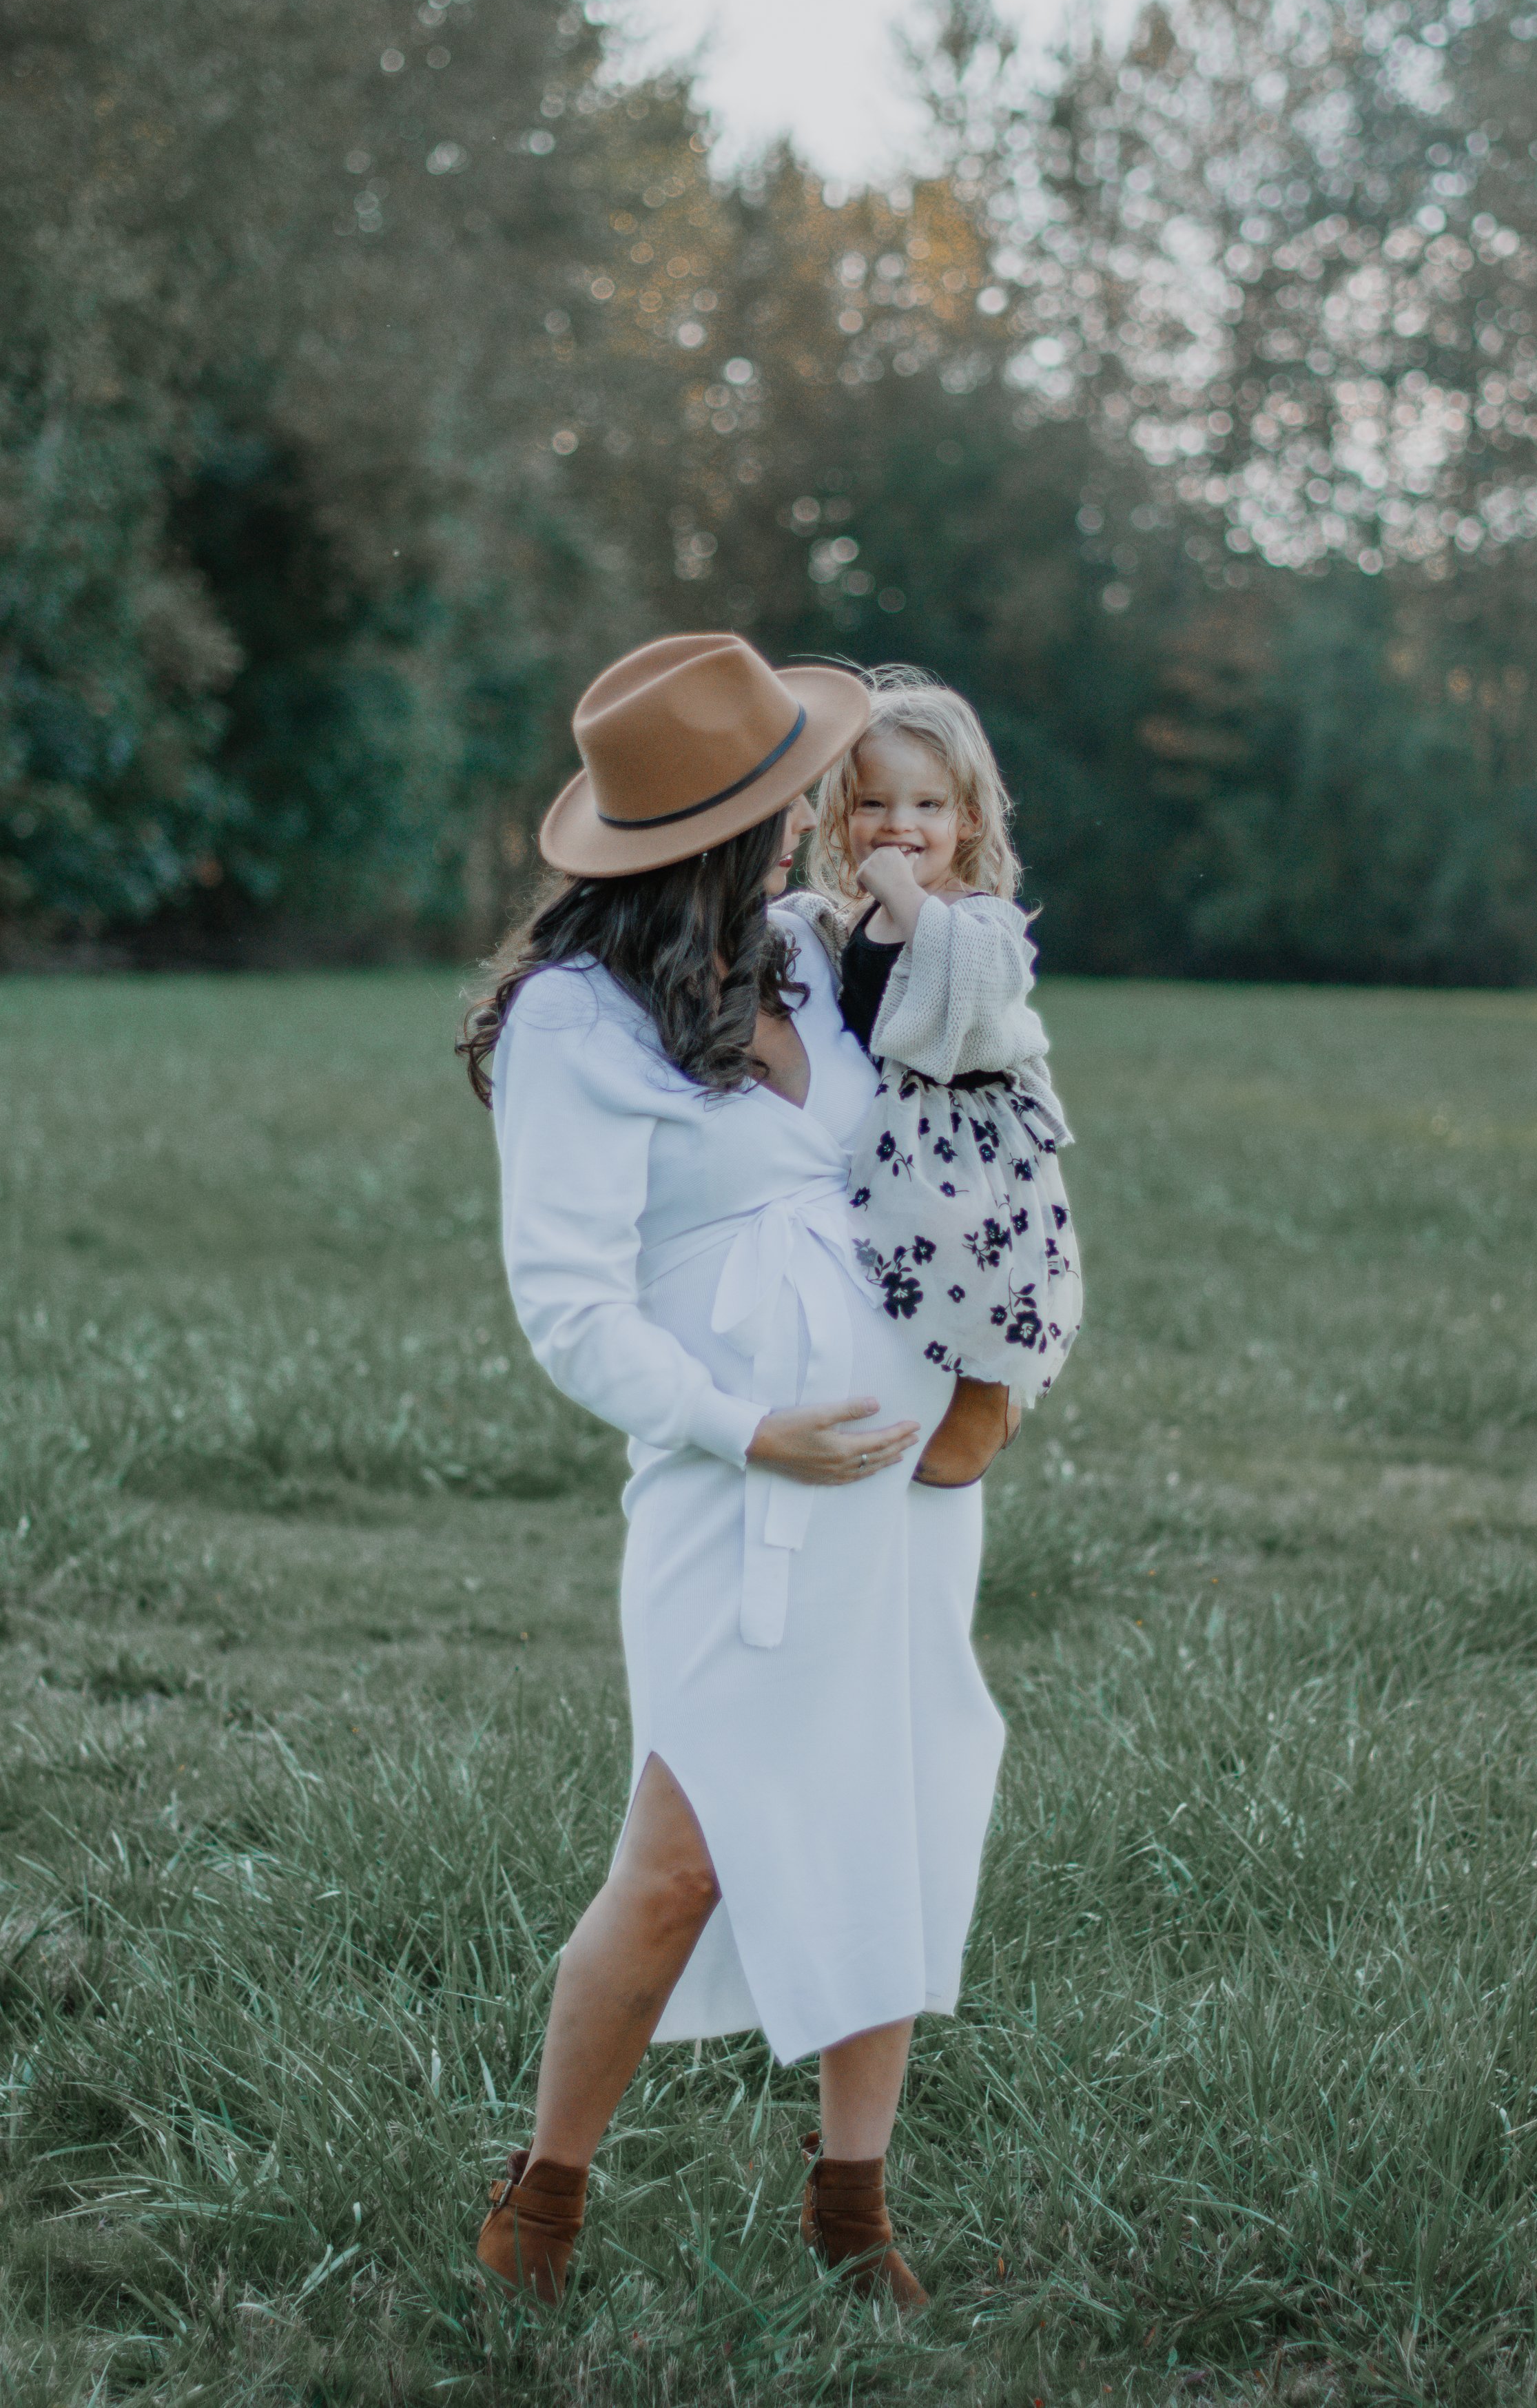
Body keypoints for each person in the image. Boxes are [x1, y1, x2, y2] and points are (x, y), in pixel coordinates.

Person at [457, 634, 1006, 2310]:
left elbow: (975, 1102)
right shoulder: (576, 1016)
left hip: (902, 1486)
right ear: (695, 832)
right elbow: (566, 1298)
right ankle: (541, 2196)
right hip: (734, 1486)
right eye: (774, 807)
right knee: (684, 1848)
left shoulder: (804, 951)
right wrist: (743, 1422)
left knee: (892, 1810)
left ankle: (853, 2202)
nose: (806, 827)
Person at [794, 670, 1082, 1488]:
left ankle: (989, 1388)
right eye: (874, 805)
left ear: (968, 819)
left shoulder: (976, 915)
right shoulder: (857, 917)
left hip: (974, 1140)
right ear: (841, 817)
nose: (899, 827)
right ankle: (907, 1372)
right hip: (894, 1131)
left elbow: (983, 982)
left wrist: (906, 900)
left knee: (973, 1255)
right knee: (887, 1258)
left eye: (927, 806)